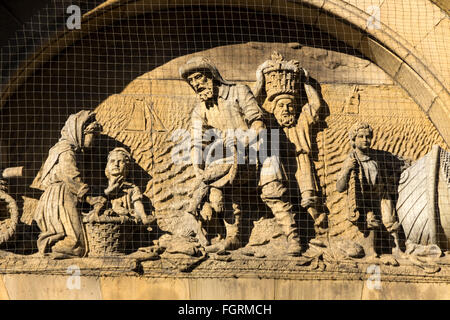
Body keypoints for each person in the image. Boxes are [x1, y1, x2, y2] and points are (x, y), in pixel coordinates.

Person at [180, 57, 301, 256]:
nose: (196, 84)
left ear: (211, 76)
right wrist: (198, 167)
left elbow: (257, 122)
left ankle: (293, 237)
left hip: (259, 153)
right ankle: (233, 237)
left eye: (199, 77)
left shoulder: (238, 91)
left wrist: (244, 141)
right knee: (224, 189)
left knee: (274, 190)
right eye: (192, 81)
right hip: (230, 160)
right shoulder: (200, 110)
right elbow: (196, 141)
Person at [254, 52, 327, 245]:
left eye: (290, 106)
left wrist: (305, 81)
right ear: (274, 109)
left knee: (308, 198)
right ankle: (288, 234)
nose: (286, 109)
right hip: (279, 164)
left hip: (301, 160)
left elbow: (316, 104)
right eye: (281, 106)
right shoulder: (269, 121)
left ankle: (316, 234)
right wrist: (260, 82)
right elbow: (251, 106)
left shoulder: (302, 120)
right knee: (280, 195)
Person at [31, 110, 104, 258]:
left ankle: (51, 250)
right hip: (60, 198)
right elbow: (71, 177)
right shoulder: (66, 150)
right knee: (75, 244)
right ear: (80, 132)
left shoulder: (72, 151)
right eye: (93, 136)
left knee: (75, 243)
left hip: (62, 197)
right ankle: (49, 250)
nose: (94, 141)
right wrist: (90, 198)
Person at [336, 122, 401, 256]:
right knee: (371, 219)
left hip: (381, 194)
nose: (365, 140)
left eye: (368, 137)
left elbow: (396, 162)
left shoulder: (377, 156)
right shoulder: (351, 159)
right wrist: (348, 168)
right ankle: (371, 251)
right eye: (361, 137)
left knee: (390, 218)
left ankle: (397, 249)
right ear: (353, 139)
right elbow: (339, 187)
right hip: (363, 199)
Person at [102, 147, 154, 226]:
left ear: (126, 167)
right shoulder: (102, 187)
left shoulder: (132, 189)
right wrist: (109, 191)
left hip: (127, 225)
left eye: (120, 162)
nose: (116, 164)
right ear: (107, 166)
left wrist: (144, 217)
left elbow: (137, 204)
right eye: (112, 161)